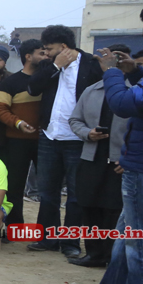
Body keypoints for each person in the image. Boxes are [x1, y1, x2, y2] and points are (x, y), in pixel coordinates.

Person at [79, 47, 143, 284]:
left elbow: (123, 104)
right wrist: (136, 72)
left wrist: (112, 71)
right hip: (136, 164)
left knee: (137, 242)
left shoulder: (112, 77)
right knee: (124, 237)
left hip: (140, 167)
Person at [26, 25, 104, 258]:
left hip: (78, 139)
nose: (46, 53)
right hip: (50, 135)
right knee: (47, 192)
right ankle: (47, 239)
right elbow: (33, 88)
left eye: (49, 49)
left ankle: (70, 242)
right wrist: (55, 66)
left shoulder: (91, 64)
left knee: (75, 195)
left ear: (64, 46)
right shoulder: (48, 65)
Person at [67, 44, 139, 267]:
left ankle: (113, 257)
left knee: (114, 210)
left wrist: (129, 157)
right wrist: (87, 133)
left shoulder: (135, 92)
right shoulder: (92, 91)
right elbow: (74, 120)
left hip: (119, 161)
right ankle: (94, 254)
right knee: (89, 206)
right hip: (92, 157)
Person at [0, 39, 43, 225]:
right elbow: (0, 109)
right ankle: (15, 228)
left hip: (45, 141)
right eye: (41, 53)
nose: (46, 56)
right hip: (16, 141)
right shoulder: (11, 82)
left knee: (47, 188)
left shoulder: (51, 81)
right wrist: (18, 123)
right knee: (14, 187)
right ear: (28, 56)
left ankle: (47, 232)